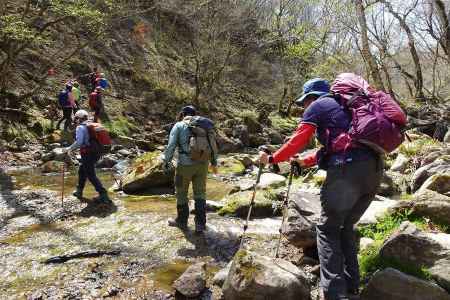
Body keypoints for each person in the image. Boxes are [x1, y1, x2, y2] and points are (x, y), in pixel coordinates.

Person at [258, 78, 383, 300]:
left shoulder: (318, 105)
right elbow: (334, 148)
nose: (303, 107)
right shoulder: (349, 109)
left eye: (303, 102)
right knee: (345, 227)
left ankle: (335, 293)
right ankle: (352, 285)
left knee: (327, 229)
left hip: (347, 173)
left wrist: (271, 158)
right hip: (374, 171)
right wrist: (301, 162)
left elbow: (298, 140)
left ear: (311, 97)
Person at [163, 105, 218, 234]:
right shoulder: (204, 126)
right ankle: (200, 224)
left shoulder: (179, 125)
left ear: (182, 114)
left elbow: (171, 145)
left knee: (181, 192)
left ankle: (181, 221)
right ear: (195, 114)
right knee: (200, 193)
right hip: (203, 164)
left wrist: (167, 161)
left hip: (184, 166)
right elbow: (213, 145)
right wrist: (214, 162)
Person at [63, 109, 111, 203]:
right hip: (97, 152)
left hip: (88, 153)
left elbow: (79, 142)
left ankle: (103, 194)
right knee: (82, 170)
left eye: (76, 118)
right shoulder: (92, 124)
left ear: (78, 118)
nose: (75, 120)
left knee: (90, 174)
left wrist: (69, 149)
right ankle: (79, 191)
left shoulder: (80, 127)